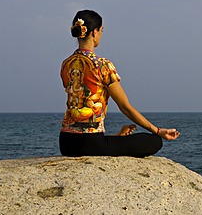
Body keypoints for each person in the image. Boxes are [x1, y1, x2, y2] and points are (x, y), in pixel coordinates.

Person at [59, 10, 180, 157]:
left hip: (66, 143)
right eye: (101, 30)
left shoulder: (66, 64)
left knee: (105, 141)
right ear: (94, 33)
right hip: (91, 144)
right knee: (154, 141)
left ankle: (117, 138)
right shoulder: (102, 65)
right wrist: (158, 131)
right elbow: (125, 106)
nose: (101, 35)